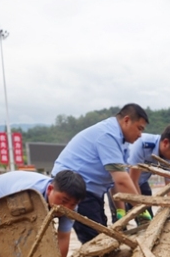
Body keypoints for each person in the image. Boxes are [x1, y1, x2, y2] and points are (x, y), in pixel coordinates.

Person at [52, 104, 148, 243]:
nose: (140, 135)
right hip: (73, 188)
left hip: (92, 192)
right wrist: (141, 210)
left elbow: (117, 182)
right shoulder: (108, 135)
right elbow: (122, 180)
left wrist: (121, 212)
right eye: (139, 128)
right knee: (97, 242)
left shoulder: (123, 143)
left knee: (101, 236)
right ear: (126, 120)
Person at [0, 169, 86, 257]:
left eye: (72, 204)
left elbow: (63, 238)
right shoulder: (27, 193)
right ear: (50, 190)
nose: (66, 208)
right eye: (64, 201)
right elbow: (17, 230)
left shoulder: (71, 209)